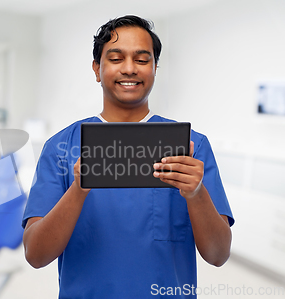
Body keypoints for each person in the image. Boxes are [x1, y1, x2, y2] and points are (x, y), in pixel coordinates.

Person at [21, 15, 234, 298]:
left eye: (142, 60)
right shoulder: (61, 147)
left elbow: (218, 255)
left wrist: (196, 193)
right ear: (97, 69)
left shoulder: (191, 147)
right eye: (116, 58)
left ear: (156, 68)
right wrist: (78, 190)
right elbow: (35, 255)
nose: (130, 69)